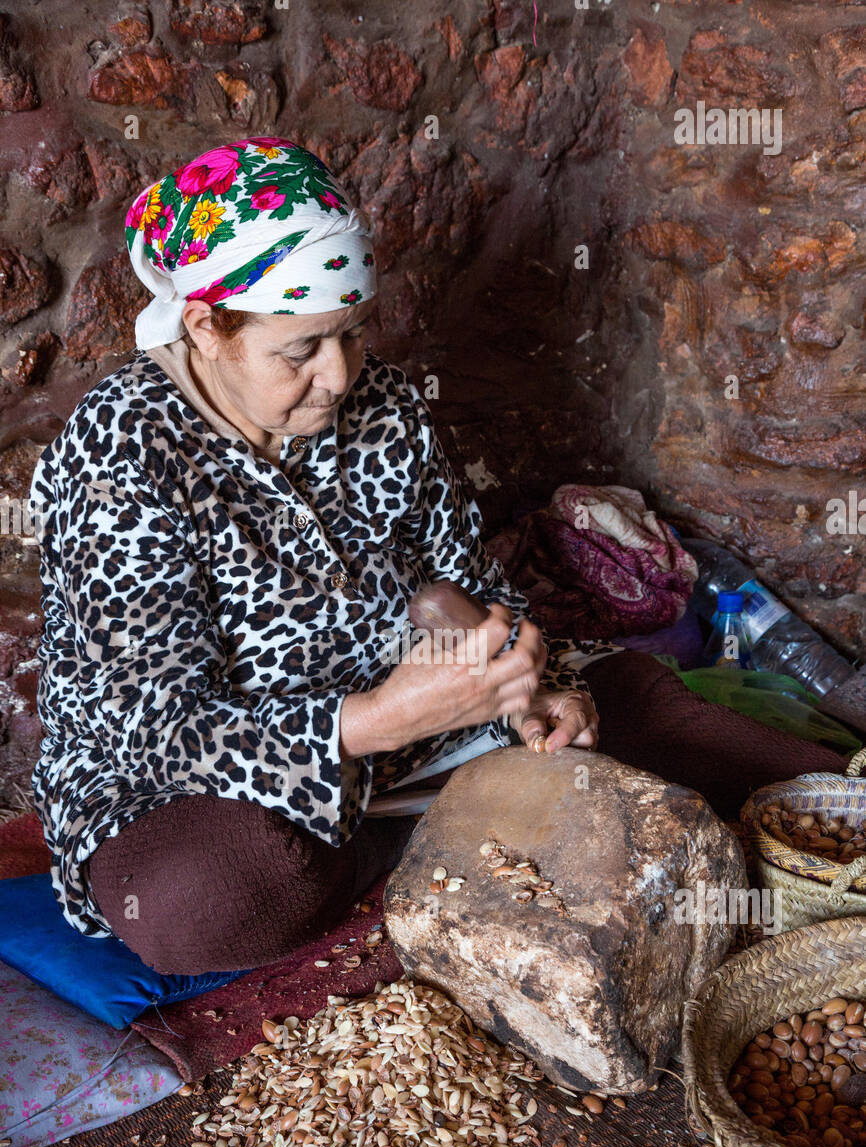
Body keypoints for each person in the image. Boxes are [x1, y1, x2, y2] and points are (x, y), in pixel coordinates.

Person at [29, 139, 607, 974]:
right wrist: (368, 724)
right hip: (186, 786)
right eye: (300, 351)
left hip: (425, 743)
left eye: (353, 333)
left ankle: (429, 825)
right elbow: (152, 725)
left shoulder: (386, 405)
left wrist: (523, 692)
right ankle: (439, 832)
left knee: (629, 724)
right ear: (206, 328)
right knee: (195, 904)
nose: (338, 376)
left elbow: (473, 589)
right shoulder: (124, 452)